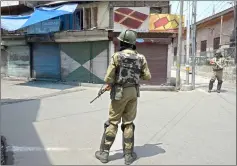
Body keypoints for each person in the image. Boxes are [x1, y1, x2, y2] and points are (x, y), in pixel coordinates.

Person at [94, 29, 151, 165]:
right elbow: (147, 76)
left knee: (113, 122)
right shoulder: (141, 58)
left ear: (123, 43)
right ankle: (128, 156)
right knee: (128, 123)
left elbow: (108, 77)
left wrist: (111, 83)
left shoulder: (117, 56)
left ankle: (104, 154)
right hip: (133, 92)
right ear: (132, 43)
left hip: (119, 92)